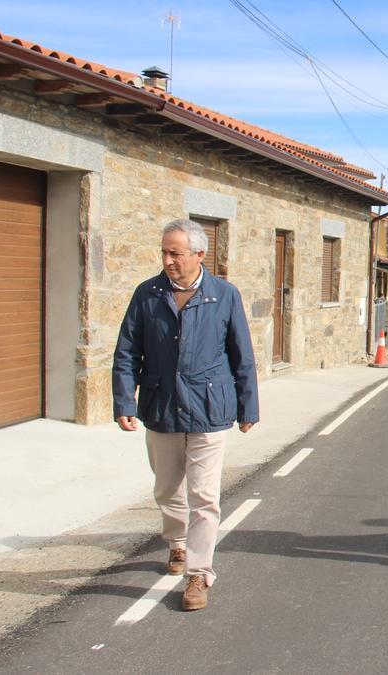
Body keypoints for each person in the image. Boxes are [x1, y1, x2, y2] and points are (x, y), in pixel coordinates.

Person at [112, 218, 259, 611]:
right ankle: (177, 544)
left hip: (209, 408)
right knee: (166, 489)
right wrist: (124, 402)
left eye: (174, 253)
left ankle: (199, 574)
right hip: (160, 407)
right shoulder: (147, 294)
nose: (167, 259)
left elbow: (241, 355)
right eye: (164, 251)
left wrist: (248, 406)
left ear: (199, 254)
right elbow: (127, 352)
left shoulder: (224, 294)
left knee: (205, 496)